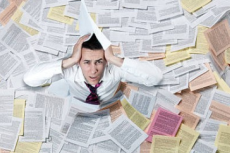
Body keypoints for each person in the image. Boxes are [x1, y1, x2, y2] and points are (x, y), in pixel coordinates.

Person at [23, 34, 163, 105]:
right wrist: (71, 60)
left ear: (106, 61)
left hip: (109, 105)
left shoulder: (114, 68)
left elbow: (155, 78)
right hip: (76, 105)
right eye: (86, 62)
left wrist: (114, 59)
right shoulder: (70, 69)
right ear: (78, 61)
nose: (93, 70)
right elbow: (29, 79)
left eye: (99, 62)